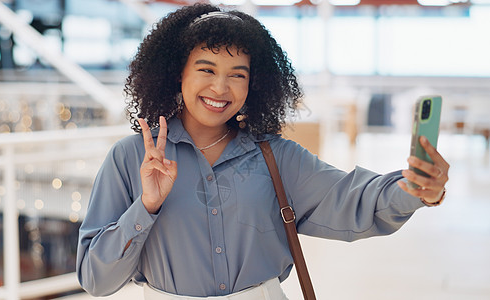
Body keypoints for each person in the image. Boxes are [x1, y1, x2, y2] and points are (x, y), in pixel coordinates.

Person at [76, 3, 449, 300]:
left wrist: (415, 188)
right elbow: (95, 278)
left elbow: (351, 199)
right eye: (206, 70)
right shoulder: (130, 159)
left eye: (237, 74)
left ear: (254, 82)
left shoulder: (275, 156)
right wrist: (146, 207)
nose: (220, 87)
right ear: (178, 73)